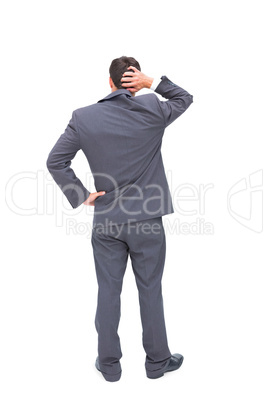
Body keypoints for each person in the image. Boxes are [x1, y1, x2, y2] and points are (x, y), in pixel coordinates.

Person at [46, 56, 193, 381]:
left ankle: (109, 366)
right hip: (147, 221)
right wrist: (151, 82)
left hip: (107, 221)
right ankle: (157, 363)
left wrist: (82, 194)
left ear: (109, 82)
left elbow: (56, 161)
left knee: (108, 291)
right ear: (133, 83)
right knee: (150, 289)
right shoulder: (152, 108)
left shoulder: (84, 118)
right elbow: (184, 98)